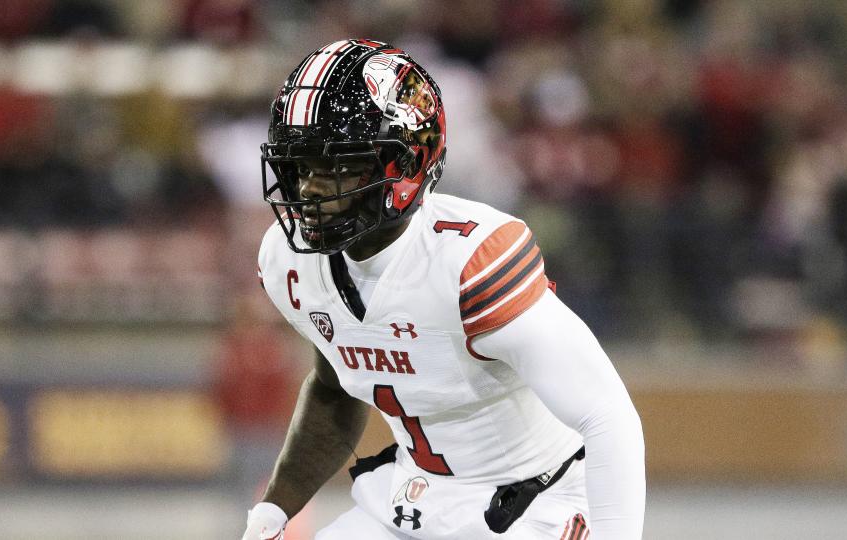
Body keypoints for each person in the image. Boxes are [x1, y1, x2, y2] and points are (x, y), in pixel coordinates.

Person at [242, 39, 644, 539]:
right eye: (301, 165)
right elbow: (335, 385)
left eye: (339, 166)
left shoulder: (469, 262)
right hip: (411, 498)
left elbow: (607, 416)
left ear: (406, 165)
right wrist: (272, 512)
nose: (310, 190)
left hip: (531, 503)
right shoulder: (289, 261)